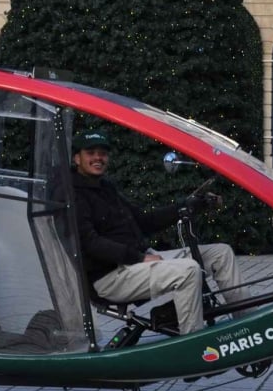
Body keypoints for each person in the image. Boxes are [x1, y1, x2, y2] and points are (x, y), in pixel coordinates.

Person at [71, 132, 243, 336]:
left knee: (220, 253)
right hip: (110, 276)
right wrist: (138, 257)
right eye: (90, 153)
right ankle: (195, 346)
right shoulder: (74, 194)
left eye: (102, 153)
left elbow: (145, 221)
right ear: (77, 158)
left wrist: (188, 206)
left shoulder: (105, 187)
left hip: (134, 264)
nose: (98, 158)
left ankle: (248, 327)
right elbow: (90, 243)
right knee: (188, 270)